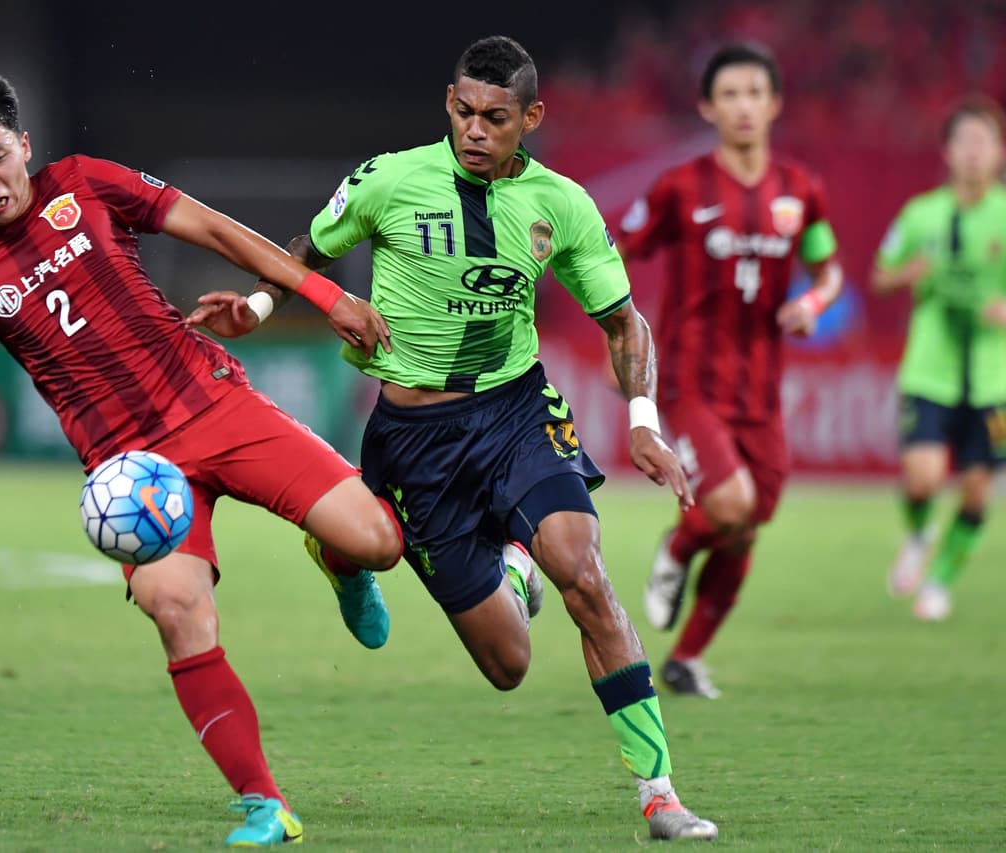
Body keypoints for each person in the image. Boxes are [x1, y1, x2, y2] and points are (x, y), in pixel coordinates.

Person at [0, 67, 406, 848]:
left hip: (216, 404)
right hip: (132, 471)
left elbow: (211, 229)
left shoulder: (86, 185)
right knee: (176, 610)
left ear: (24, 145)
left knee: (378, 539)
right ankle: (264, 803)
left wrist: (324, 294)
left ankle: (339, 559)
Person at [187, 35, 717, 841]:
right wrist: (258, 311)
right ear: (448, 103)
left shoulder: (562, 204)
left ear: (530, 118)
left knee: (584, 575)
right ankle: (350, 556)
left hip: (515, 412)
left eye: (496, 118)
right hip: (415, 440)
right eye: (464, 112)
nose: (475, 130)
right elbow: (304, 250)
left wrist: (643, 421)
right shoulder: (389, 179)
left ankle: (660, 793)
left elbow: (622, 319)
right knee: (509, 666)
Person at [616, 43, 843, 698]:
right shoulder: (679, 188)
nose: (744, 106)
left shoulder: (802, 192)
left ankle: (686, 658)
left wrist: (813, 300)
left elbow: (828, 270)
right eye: (730, 95)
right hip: (690, 383)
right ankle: (678, 549)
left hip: (762, 392)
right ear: (707, 107)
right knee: (732, 503)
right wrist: (621, 335)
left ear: (774, 104)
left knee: (748, 522)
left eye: (755, 93)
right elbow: (616, 253)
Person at [873, 94, 1006, 621]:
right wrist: (910, 274)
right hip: (931, 366)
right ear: (947, 151)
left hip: (995, 377)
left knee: (976, 490)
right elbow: (881, 276)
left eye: (984, 141)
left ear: (999, 152)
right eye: (965, 141)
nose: (974, 152)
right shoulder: (921, 214)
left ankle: (941, 581)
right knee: (922, 479)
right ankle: (919, 532)